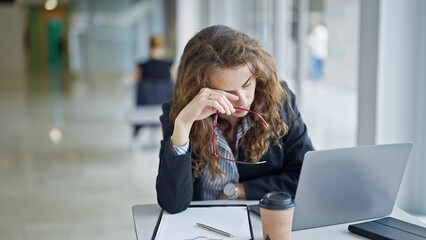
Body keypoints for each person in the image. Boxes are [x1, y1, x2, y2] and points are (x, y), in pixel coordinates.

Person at [156, 25, 314, 214]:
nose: (244, 99)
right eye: (228, 92)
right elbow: (173, 204)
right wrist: (183, 125)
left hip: (261, 221)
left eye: (247, 84)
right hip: (203, 226)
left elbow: (307, 178)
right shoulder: (180, 113)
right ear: (200, 88)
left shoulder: (278, 100)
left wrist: (240, 190)